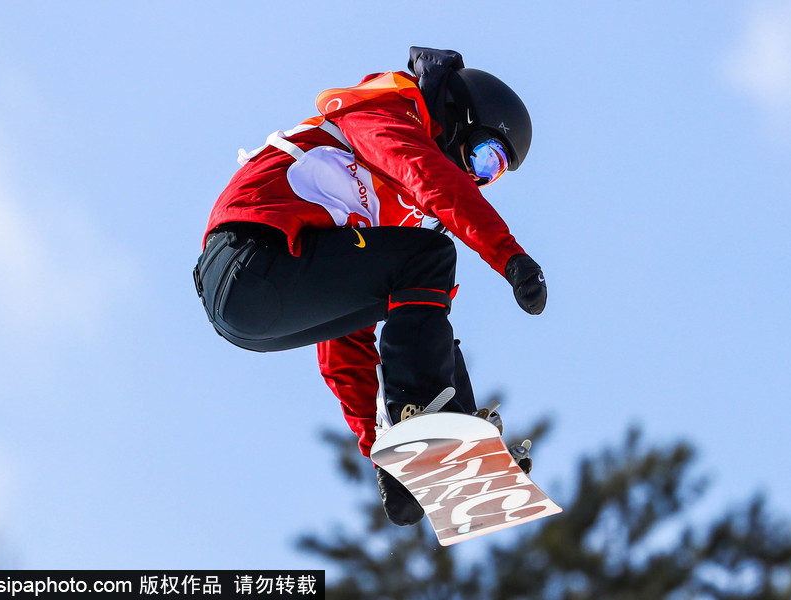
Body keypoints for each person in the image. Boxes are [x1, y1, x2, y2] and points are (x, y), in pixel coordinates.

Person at [193, 46, 547, 526]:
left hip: (259, 306)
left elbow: (344, 345)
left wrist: (380, 453)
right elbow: (426, 174)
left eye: (493, 174)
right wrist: (508, 255)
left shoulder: (382, 213)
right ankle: (425, 413)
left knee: (416, 292)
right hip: (249, 256)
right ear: (458, 120)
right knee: (429, 256)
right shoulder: (382, 111)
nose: (478, 177)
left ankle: (447, 431)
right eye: (484, 157)